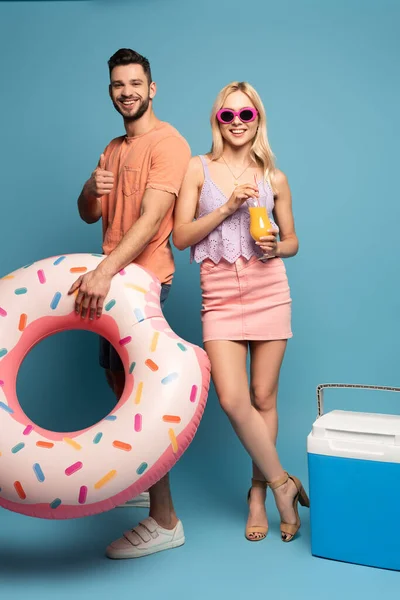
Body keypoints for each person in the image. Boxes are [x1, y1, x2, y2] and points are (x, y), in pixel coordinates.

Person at [173, 82, 309, 542]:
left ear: (257, 120)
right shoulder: (198, 168)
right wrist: (228, 206)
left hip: (269, 290)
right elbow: (182, 236)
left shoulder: (275, 177)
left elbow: (292, 240)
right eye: (226, 115)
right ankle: (282, 484)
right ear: (217, 120)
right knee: (233, 399)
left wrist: (276, 247)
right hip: (220, 298)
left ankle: (257, 495)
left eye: (244, 115)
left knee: (263, 397)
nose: (235, 123)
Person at [68, 48, 191, 558]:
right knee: (119, 384)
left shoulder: (170, 144)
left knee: (142, 400)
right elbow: (85, 212)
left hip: (141, 283)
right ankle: (144, 479)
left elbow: (150, 220)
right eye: (119, 85)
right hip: (115, 281)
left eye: (136, 83)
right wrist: (91, 189)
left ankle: (165, 520)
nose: (127, 92)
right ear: (111, 90)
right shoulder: (113, 146)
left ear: (152, 88)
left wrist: (102, 270)